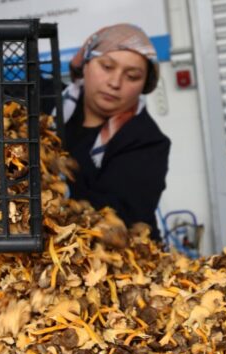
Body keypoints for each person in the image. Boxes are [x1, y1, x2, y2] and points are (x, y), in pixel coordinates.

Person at [61, 24, 171, 241]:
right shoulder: (48, 106)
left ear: (144, 85)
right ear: (85, 65)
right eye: (107, 66)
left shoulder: (146, 141)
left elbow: (118, 216)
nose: (115, 83)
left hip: (117, 260)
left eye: (132, 76)